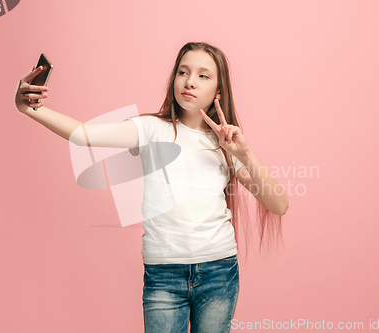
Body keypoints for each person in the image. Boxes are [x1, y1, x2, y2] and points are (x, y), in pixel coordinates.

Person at [15, 41, 289, 333]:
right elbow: (84, 136)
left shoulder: (226, 145)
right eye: (183, 72)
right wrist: (31, 110)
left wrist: (243, 153)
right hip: (163, 276)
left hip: (219, 271)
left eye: (203, 75)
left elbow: (279, 205)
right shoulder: (149, 129)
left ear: (219, 92)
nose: (190, 82)